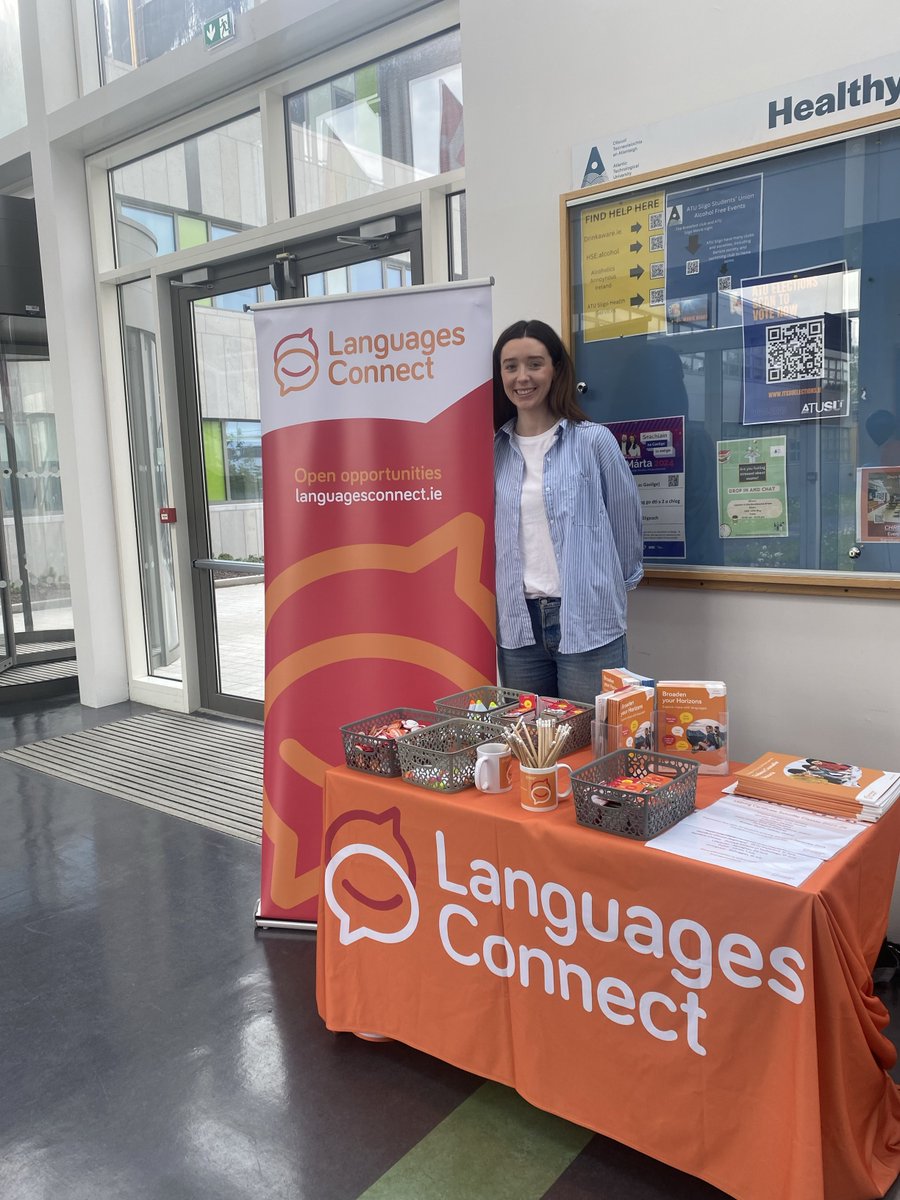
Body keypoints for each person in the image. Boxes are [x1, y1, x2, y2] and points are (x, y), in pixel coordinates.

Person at [493, 319, 643, 704]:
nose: (522, 377)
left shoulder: (593, 442)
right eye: (510, 366)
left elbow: (627, 527)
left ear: (556, 369)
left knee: (593, 747)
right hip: (518, 624)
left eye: (534, 363)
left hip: (588, 621)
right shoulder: (492, 451)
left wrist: (603, 590)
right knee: (528, 747)